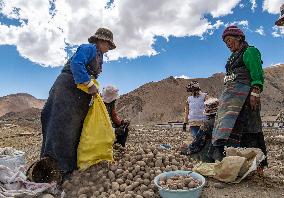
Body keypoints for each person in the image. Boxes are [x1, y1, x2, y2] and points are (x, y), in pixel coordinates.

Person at [40, 28, 116, 178]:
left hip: (78, 95)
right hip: (67, 90)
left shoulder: (99, 56)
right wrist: (89, 84)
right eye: (108, 45)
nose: (108, 48)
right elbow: (76, 64)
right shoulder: (88, 48)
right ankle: (53, 169)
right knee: (60, 127)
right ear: (101, 41)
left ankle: (68, 167)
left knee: (73, 129)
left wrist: (91, 89)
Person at [210, 26, 268, 172]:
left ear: (239, 38)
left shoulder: (250, 51)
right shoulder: (232, 57)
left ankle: (258, 167)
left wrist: (255, 91)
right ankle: (240, 166)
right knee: (234, 131)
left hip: (247, 99)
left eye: (229, 40)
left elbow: (257, 73)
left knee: (251, 130)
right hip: (232, 102)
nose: (228, 44)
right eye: (226, 42)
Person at [180, 98, 219, 163]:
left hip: (212, 155)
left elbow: (197, 143)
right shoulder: (224, 121)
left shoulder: (207, 124)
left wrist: (186, 149)